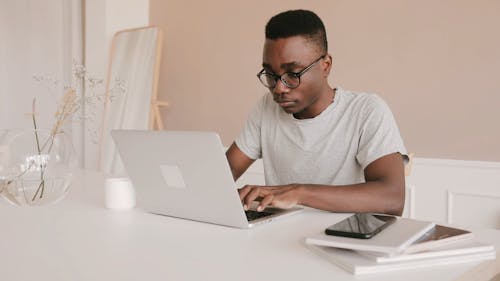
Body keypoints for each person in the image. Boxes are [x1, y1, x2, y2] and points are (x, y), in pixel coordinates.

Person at [225, 9, 408, 216]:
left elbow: (392, 198)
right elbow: (225, 172)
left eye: (293, 74)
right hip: (277, 237)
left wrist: (299, 193)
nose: (279, 88)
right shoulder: (267, 107)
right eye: (270, 74)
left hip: (340, 241)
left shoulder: (366, 110)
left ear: (325, 66)